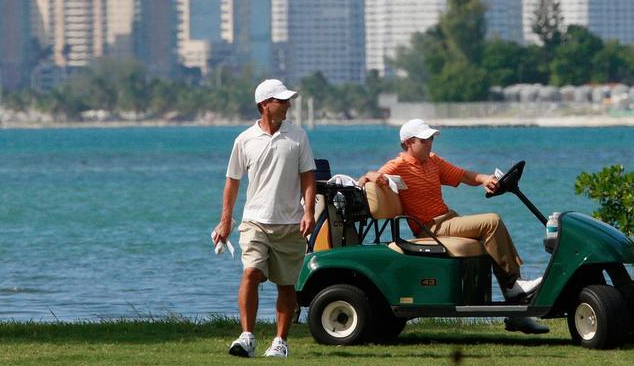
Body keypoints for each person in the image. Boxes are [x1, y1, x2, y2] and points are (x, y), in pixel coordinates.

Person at [358, 118, 549, 334]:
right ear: (408, 143)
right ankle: (514, 287)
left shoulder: (432, 161)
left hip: (448, 220)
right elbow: (369, 176)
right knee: (491, 222)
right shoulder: (399, 166)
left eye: (430, 139)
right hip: (430, 227)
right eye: (424, 140)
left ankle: (516, 311)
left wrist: (484, 178)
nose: (430, 143)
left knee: (490, 235)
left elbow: (463, 175)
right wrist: (372, 176)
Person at [214, 79, 317, 358]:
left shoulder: (298, 136)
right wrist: (226, 220)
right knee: (251, 273)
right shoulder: (244, 140)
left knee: (285, 285)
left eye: (287, 100)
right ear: (264, 105)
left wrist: (308, 211)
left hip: (290, 223)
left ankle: (280, 342)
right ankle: (247, 337)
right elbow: (232, 182)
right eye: (281, 101)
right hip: (254, 221)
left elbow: (308, 177)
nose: (287, 105)